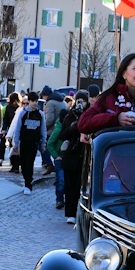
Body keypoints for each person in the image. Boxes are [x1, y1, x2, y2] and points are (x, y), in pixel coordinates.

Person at [77, 54, 135, 133]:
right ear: (124, 73)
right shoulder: (109, 97)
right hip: (115, 152)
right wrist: (116, 119)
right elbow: (83, 123)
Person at [59, 90, 91, 224]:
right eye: (78, 100)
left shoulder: (90, 114)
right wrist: (72, 128)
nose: (80, 104)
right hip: (71, 156)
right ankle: (70, 213)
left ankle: (82, 213)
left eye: (83, 101)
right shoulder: (70, 115)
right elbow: (62, 135)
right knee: (70, 186)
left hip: (84, 155)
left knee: (81, 186)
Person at [12, 91, 47, 195]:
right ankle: (27, 178)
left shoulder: (40, 114)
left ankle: (28, 185)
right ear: (29, 101)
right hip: (24, 142)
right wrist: (16, 143)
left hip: (34, 142)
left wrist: (43, 144)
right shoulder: (23, 113)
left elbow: (43, 130)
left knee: (29, 163)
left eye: (36, 101)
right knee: (23, 164)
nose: (34, 103)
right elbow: (18, 128)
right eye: (32, 101)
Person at [40, 85, 65, 173]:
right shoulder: (62, 101)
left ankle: (49, 164)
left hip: (53, 129)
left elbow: (49, 119)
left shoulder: (50, 103)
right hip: (61, 128)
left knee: (43, 144)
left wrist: (43, 128)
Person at [47, 109, 67, 209]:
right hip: (60, 159)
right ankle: (59, 199)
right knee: (60, 180)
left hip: (67, 158)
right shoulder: (58, 130)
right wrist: (56, 156)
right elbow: (50, 144)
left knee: (66, 180)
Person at [1, 93, 21, 173]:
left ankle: (16, 165)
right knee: (12, 148)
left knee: (16, 148)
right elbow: (5, 120)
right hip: (11, 130)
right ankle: (13, 165)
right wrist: (4, 129)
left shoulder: (19, 108)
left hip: (17, 130)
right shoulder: (8, 108)